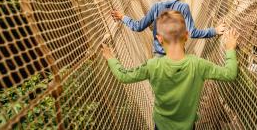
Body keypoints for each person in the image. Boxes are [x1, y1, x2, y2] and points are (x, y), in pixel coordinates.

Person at [101, 11, 238, 130]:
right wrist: (230, 49)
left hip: (161, 126)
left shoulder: (153, 65)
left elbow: (124, 76)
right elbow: (230, 74)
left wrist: (110, 58)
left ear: (159, 39)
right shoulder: (198, 64)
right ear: (186, 35)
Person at [112, 0, 226, 56]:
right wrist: (214, 30)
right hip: (178, 57)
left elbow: (138, 26)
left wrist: (123, 17)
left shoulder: (156, 7)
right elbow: (193, 33)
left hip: (159, 57)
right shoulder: (183, 7)